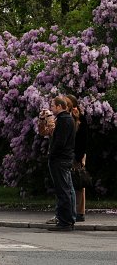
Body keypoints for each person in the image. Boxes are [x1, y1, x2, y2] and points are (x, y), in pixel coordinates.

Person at [46, 95, 76, 231]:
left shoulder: (64, 120)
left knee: (63, 191)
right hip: (66, 158)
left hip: (60, 160)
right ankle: (68, 219)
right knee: (67, 190)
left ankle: (64, 222)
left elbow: (60, 142)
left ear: (59, 106)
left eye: (53, 106)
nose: (51, 108)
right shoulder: (69, 119)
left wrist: (51, 155)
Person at [66, 95, 88, 222]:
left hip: (77, 154)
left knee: (78, 182)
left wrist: (80, 156)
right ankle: (75, 210)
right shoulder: (68, 117)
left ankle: (80, 211)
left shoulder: (79, 118)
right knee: (73, 183)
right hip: (71, 154)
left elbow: (82, 138)